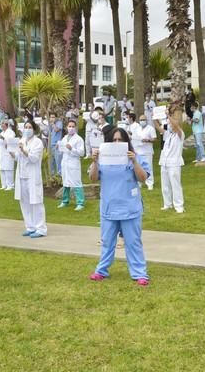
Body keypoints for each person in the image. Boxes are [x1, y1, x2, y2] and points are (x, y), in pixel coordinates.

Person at [88, 127, 150, 286]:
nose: (117, 143)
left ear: (126, 142)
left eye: (120, 140)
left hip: (129, 207)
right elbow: (93, 178)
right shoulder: (103, 158)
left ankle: (139, 273)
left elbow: (143, 178)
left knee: (133, 242)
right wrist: (95, 161)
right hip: (109, 207)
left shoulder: (135, 157)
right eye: (114, 140)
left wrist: (134, 161)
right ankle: (101, 271)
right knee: (107, 242)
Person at [13, 120, 47, 238]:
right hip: (22, 176)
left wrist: (24, 150)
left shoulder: (38, 142)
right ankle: (30, 226)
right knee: (24, 202)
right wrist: (12, 152)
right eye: (25, 127)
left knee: (36, 202)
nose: (27, 129)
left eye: (29, 127)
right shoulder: (22, 140)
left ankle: (41, 228)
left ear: (34, 129)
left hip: (32, 176)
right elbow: (18, 158)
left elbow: (34, 159)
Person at [154, 110, 185, 213]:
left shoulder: (180, 134)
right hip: (164, 162)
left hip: (174, 163)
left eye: (171, 124)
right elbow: (158, 127)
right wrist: (155, 117)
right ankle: (167, 204)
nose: (170, 126)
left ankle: (179, 206)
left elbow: (176, 126)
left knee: (175, 184)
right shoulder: (168, 134)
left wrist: (168, 116)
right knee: (165, 185)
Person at [57, 119, 85, 211]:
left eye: (73, 126)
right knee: (66, 182)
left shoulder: (79, 139)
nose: (71, 128)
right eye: (69, 126)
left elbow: (81, 153)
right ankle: (65, 201)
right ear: (66, 127)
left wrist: (71, 149)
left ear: (76, 128)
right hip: (65, 163)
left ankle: (80, 202)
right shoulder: (65, 138)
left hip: (74, 163)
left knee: (76, 183)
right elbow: (62, 150)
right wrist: (59, 147)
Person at [132, 114, 157, 190]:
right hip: (138, 151)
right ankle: (139, 182)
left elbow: (154, 139)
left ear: (146, 120)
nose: (142, 121)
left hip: (147, 151)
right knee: (138, 168)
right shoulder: (137, 129)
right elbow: (134, 138)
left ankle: (150, 183)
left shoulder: (150, 129)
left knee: (148, 168)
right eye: (141, 120)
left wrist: (147, 140)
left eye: (143, 120)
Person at [0, 119, 16, 191]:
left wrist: (3, 138)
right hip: (1, 152)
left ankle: (10, 185)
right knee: (2, 169)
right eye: (1, 123)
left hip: (8, 152)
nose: (1, 125)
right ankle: (4, 184)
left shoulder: (11, 132)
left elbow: (11, 141)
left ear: (6, 124)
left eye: (3, 123)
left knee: (8, 168)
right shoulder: (1, 132)